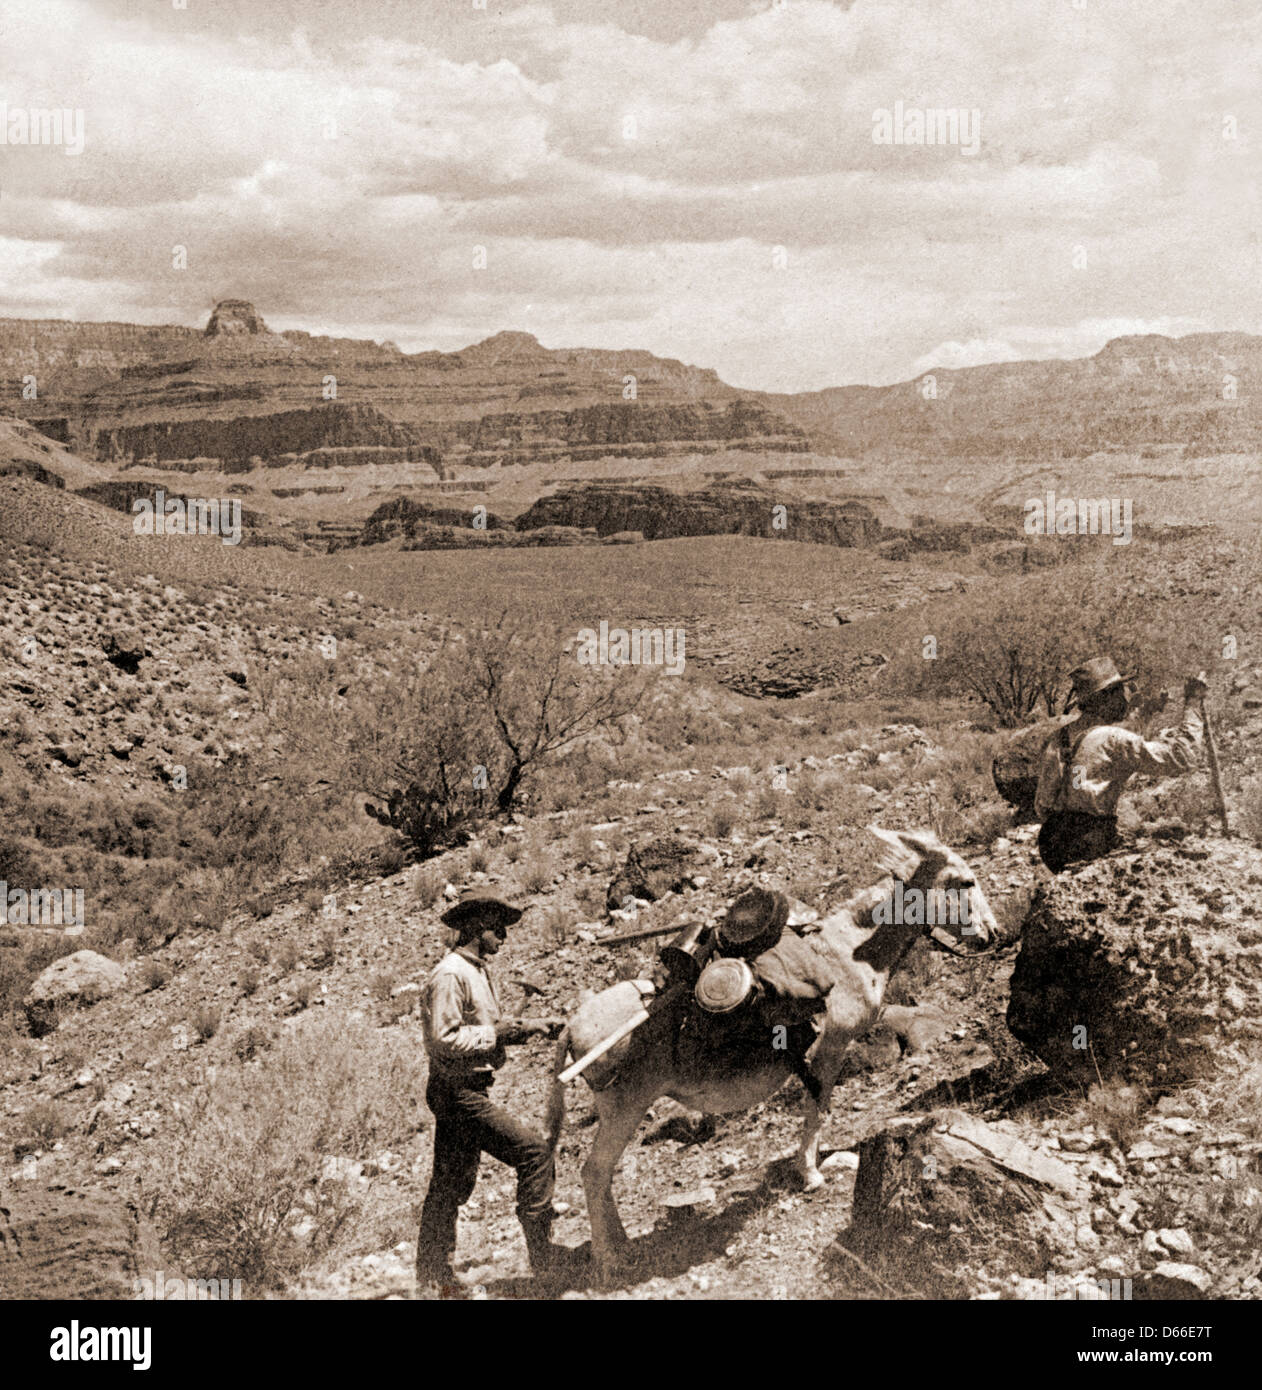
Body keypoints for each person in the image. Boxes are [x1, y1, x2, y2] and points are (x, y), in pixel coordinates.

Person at [416, 889, 564, 1291]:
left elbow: (483, 1032)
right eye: (498, 928)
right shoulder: (451, 974)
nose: (504, 936)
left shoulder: (476, 970)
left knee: (450, 1184)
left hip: (467, 1089)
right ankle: (546, 1264)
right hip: (457, 1092)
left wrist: (529, 1026)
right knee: (534, 1153)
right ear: (478, 927)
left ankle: (432, 1279)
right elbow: (444, 1039)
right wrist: (498, 1033)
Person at [1034, 657, 1208, 873]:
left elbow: (1045, 803)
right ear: (1107, 697)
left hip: (1052, 844)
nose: (1126, 698)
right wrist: (1193, 703)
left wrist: (1078, 804)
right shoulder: (1111, 739)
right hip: (1089, 843)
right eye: (1120, 691)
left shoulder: (1061, 737)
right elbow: (1182, 757)